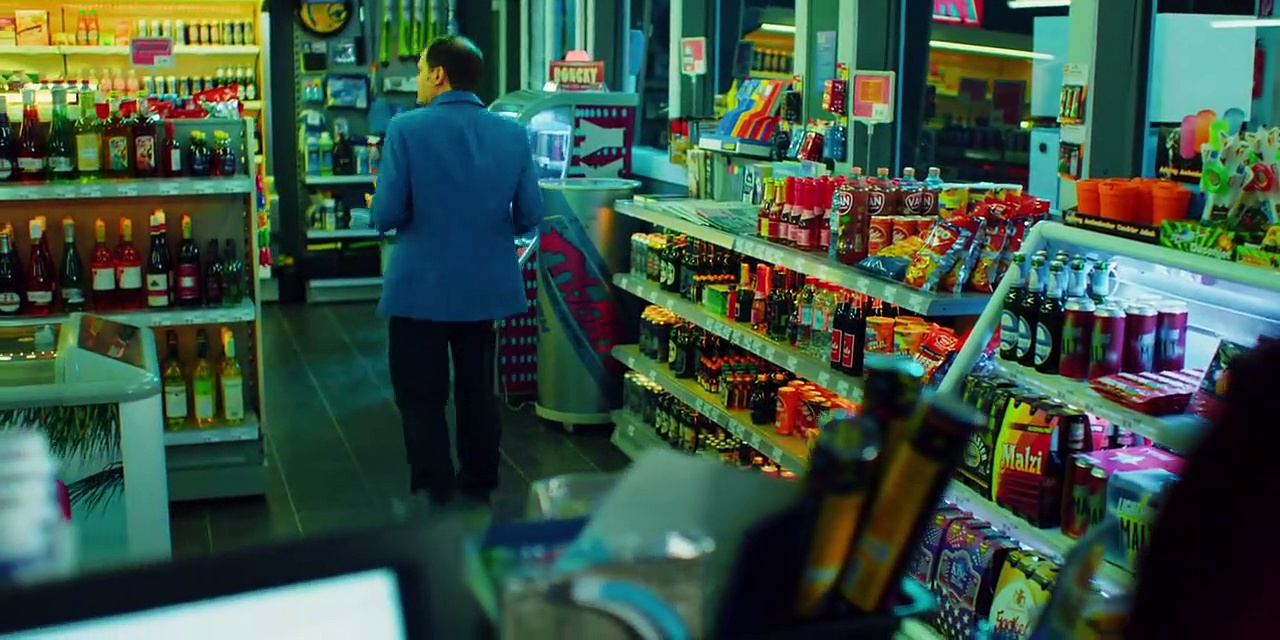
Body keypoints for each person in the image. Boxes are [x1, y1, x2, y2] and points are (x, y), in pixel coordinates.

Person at [369, 35, 543, 509]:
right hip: (484, 289)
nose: (418, 79)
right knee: (477, 390)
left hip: (420, 289)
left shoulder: (405, 129)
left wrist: (379, 205)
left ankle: (435, 486)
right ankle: (479, 481)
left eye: (421, 70)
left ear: (439, 74)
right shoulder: (512, 133)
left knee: (420, 394)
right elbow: (530, 214)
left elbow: (386, 214)